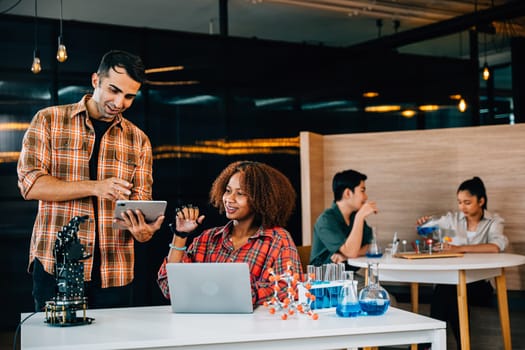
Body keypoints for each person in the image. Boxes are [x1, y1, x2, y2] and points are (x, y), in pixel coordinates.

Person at [17, 50, 165, 311]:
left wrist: (144, 232)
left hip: (114, 273)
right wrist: (95, 186)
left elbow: (141, 204)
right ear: (96, 80)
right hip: (56, 268)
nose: (119, 102)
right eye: (114, 90)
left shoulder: (139, 140)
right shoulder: (48, 120)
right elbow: (30, 185)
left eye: (129, 96)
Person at [157, 161, 303, 306]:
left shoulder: (277, 239)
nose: (229, 199)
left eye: (240, 193)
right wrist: (180, 235)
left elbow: (289, 289)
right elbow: (169, 287)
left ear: (261, 199)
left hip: (254, 327)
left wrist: (238, 292)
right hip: (204, 325)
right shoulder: (208, 239)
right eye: (228, 190)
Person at [416, 176, 508, 350]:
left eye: (467, 202)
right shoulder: (452, 219)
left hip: (479, 284)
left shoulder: (494, 222)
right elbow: (430, 229)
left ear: (481, 201)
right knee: (450, 290)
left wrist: (460, 248)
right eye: (459, 202)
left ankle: (428, 345)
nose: (462, 207)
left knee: (447, 290)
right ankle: (459, 346)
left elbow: (495, 247)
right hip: (453, 281)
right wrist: (424, 224)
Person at [309, 169, 378, 268]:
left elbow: (371, 246)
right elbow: (351, 252)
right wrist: (360, 216)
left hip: (347, 275)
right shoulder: (326, 220)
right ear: (347, 193)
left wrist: (346, 256)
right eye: (362, 191)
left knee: (375, 281)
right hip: (324, 278)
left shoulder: (354, 216)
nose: (366, 197)